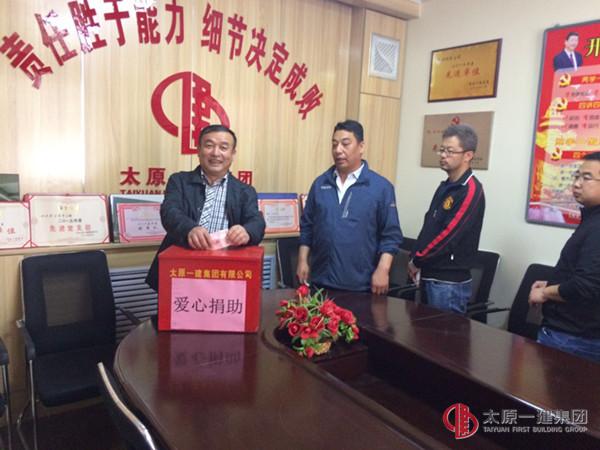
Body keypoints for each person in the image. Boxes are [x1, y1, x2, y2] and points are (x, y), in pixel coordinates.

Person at [145, 124, 266, 291]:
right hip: (181, 268)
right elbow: (170, 212)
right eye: (209, 145)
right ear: (198, 150)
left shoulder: (245, 191)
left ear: (232, 153)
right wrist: (190, 229)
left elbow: (257, 221)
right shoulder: (179, 181)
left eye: (223, 147)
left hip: (225, 272)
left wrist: (247, 231)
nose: (216, 153)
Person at [297, 120, 403, 294]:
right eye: (334, 144)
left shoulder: (380, 187)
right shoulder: (320, 184)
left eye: (345, 144)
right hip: (321, 280)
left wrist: (383, 270)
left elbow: (391, 235)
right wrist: (302, 260)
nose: (338, 150)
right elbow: (307, 226)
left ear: (361, 147)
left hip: (361, 284)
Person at [529, 152, 600, 363]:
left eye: (586, 178)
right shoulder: (591, 219)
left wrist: (545, 293)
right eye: (577, 176)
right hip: (572, 336)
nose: (576, 184)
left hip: (573, 338)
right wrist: (552, 282)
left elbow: (585, 286)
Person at [408, 124, 485, 314]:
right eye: (442, 150)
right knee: (421, 331)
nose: (443, 155)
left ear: (468, 155)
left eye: (450, 151)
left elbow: (448, 236)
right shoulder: (446, 186)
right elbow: (429, 226)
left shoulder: (470, 190)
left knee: (442, 333)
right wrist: (414, 257)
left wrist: (418, 260)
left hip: (448, 284)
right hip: (429, 275)